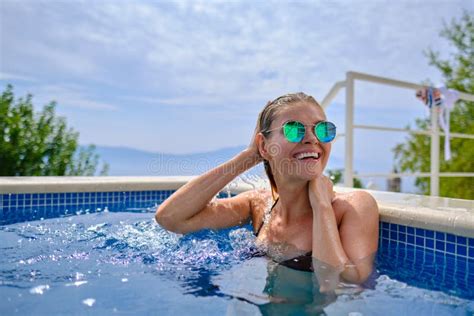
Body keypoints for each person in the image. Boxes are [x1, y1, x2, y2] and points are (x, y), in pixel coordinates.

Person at [155, 92, 379, 291]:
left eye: (323, 129)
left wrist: (321, 207)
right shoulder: (259, 205)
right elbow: (171, 218)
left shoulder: (351, 207)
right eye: (294, 129)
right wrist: (251, 155)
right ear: (265, 146)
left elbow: (343, 284)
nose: (312, 138)